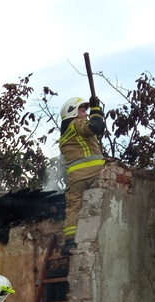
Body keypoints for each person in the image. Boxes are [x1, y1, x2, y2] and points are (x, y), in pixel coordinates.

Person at [58, 96, 106, 255]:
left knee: (73, 207)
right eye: (82, 109)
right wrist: (96, 109)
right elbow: (96, 126)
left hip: (75, 179)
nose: (85, 113)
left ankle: (70, 242)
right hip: (95, 171)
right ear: (73, 112)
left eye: (86, 110)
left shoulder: (63, 137)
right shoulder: (77, 123)